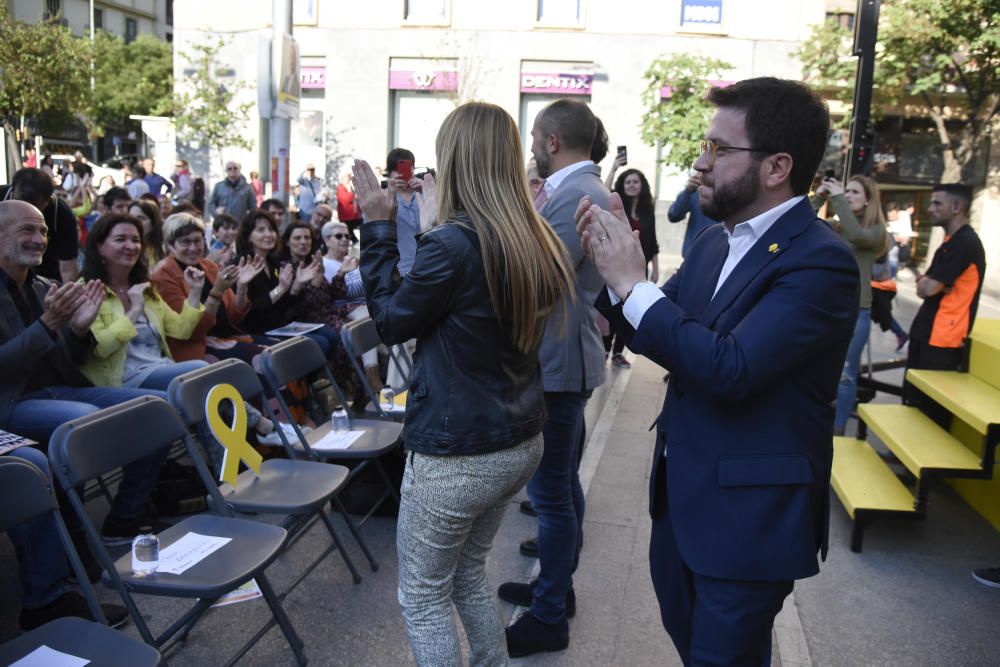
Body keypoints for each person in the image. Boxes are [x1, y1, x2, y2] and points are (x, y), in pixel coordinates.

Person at [576, 77, 858, 665]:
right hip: (683, 501)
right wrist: (608, 271)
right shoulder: (711, 245)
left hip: (748, 522)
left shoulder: (821, 261)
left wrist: (634, 285)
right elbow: (656, 329)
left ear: (777, 166)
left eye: (718, 150)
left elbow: (732, 367)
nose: (701, 166)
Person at [352, 100, 575, 667]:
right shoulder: (533, 234)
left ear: (454, 161)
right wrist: (430, 233)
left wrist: (379, 228)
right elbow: (467, 307)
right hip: (518, 438)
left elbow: (391, 322)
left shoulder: (455, 243)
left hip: (460, 453)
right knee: (468, 576)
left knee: (423, 596)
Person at [497, 98, 609, 658]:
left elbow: (536, 272)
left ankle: (547, 614)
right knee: (561, 488)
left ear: (551, 141)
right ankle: (554, 590)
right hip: (564, 355)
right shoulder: (577, 188)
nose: (531, 149)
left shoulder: (576, 191)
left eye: (533, 138)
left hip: (558, 361)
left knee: (553, 497)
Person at [0, 201, 172, 547]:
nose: (39, 239)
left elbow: (72, 358)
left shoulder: (42, 286)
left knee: (159, 408)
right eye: (27, 231)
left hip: (59, 391)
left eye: (44, 232)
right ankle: (74, 539)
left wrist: (78, 332)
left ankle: (124, 517)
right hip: (12, 401)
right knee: (81, 420)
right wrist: (48, 326)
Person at [78, 213, 208, 394]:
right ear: (100, 247)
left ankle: (251, 419)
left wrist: (194, 291)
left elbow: (181, 330)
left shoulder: (144, 288)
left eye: (136, 240)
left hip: (160, 367)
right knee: (199, 371)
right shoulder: (87, 290)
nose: (131, 246)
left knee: (207, 378)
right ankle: (254, 420)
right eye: (120, 239)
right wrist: (134, 310)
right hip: (121, 379)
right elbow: (101, 349)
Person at [903, 183, 986, 428]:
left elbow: (928, 288)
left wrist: (931, 284)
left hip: (944, 339)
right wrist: (931, 284)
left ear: (957, 207)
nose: (930, 209)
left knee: (931, 410)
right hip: (925, 330)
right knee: (912, 400)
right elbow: (923, 288)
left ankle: (925, 464)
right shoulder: (950, 243)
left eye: (937, 203)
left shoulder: (966, 243)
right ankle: (905, 455)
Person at [814, 175, 889, 436]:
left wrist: (836, 199)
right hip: (827, 308)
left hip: (858, 311)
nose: (846, 195)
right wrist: (820, 196)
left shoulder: (877, 231)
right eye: (845, 191)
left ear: (868, 199)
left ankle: (838, 432)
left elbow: (857, 235)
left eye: (854, 192)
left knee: (845, 375)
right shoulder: (837, 225)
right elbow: (806, 222)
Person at [150, 213, 265, 363]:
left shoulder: (208, 266)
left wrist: (242, 287)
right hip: (196, 347)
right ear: (171, 245)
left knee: (280, 351)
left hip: (226, 337)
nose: (193, 248)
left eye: (197, 241)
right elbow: (193, 332)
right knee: (263, 358)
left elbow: (234, 317)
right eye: (185, 242)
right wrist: (216, 293)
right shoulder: (163, 275)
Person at [606, 167, 660, 368]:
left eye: (635, 182)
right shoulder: (616, 208)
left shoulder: (648, 209)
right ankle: (605, 348)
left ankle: (618, 352)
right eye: (627, 182)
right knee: (613, 308)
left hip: (638, 268)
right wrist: (613, 168)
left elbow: (652, 240)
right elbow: (605, 190)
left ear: (642, 185)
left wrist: (655, 267)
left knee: (631, 309)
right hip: (616, 266)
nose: (631, 185)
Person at [1, 168, 79, 283]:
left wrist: (68, 296)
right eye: (19, 202)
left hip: (45, 272)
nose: (24, 212)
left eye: (33, 207)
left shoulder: (61, 214)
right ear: (11, 193)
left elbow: (68, 269)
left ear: (48, 201)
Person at [667, 172, 719, 258]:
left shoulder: (730, 189)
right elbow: (673, 215)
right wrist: (687, 191)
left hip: (721, 257)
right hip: (693, 257)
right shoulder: (695, 190)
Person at [129, 197, 166, 267]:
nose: (135, 222)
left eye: (141, 218)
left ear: (153, 222)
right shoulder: (125, 248)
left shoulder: (165, 249)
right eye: (131, 218)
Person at [336, 170, 362, 241]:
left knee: (352, 232)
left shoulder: (350, 187)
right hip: (346, 216)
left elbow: (357, 198)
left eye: (349, 178)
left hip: (354, 215)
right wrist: (352, 193)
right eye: (346, 178)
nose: (348, 180)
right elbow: (346, 198)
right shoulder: (341, 187)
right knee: (349, 232)